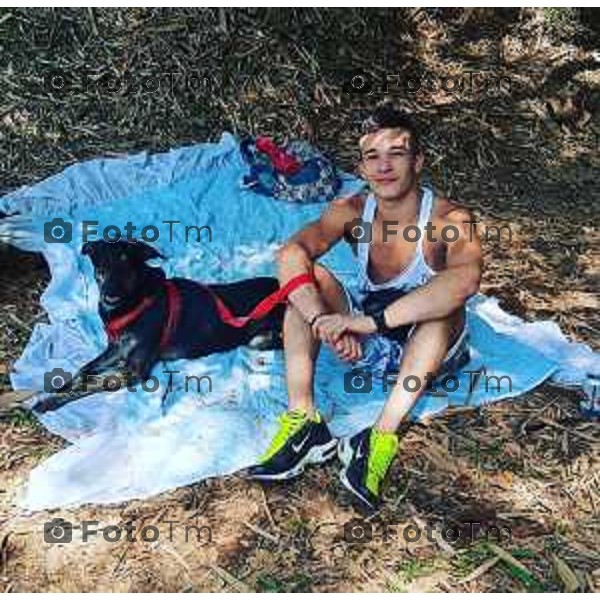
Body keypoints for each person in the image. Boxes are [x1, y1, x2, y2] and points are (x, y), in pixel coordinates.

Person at [246, 103, 483, 510]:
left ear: (418, 161)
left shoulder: (451, 218)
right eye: (373, 156)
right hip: (367, 334)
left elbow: (464, 281)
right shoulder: (352, 210)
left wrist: (367, 323)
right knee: (305, 287)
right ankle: (305, 423)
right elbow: (292, 253)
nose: (384, 166)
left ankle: (378, 437)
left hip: (424, 350)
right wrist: (323, 320)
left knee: (444, 309)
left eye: (397, 153)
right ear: (362, 167)